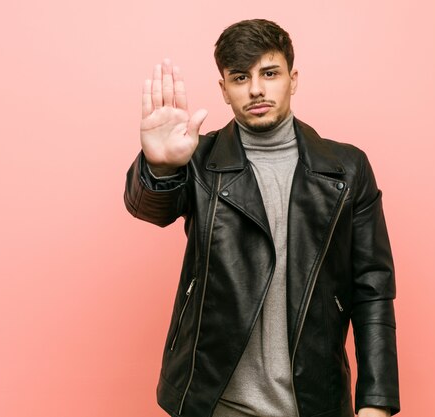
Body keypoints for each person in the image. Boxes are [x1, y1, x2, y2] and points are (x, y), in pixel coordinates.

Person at [124, 19, 399, 417]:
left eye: (269, 73)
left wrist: (377, 402)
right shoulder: (199, 158)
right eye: (240, 77)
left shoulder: (347, 168)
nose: (256, 89)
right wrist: (161, 166)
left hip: (314, 399)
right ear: (224, 89)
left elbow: (373, 286)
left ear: (293, 78)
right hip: (215, 401)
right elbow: (149, 209)